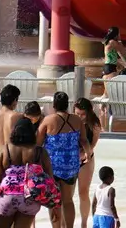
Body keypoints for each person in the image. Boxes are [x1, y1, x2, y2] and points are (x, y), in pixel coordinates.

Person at [0, 110, 58, 228]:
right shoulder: (40, 151)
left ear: (14, 131)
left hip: (6, 196)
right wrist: (54, 205)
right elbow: (50, 180)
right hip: (29, 198)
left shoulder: (5, 150)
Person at [38, 92, 83, 228]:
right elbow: (84, 140)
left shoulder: (48, 120)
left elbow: (37, 143)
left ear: (54, 105)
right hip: (71, 166)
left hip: (53, 167)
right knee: (68, 200)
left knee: (53, 200)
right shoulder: (77, 120)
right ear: (67, 105)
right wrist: (87, 155)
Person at [72, 98, 102, 222]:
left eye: (83, 114)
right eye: (77, 114)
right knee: (67, 195)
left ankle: (84, 222)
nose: (80, 117)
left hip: (86, 159)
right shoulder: (70, 121)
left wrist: (85, 154)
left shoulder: (94, 124)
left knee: (83, 192)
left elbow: (93, 143)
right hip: (71, 159)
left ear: (88, 113)